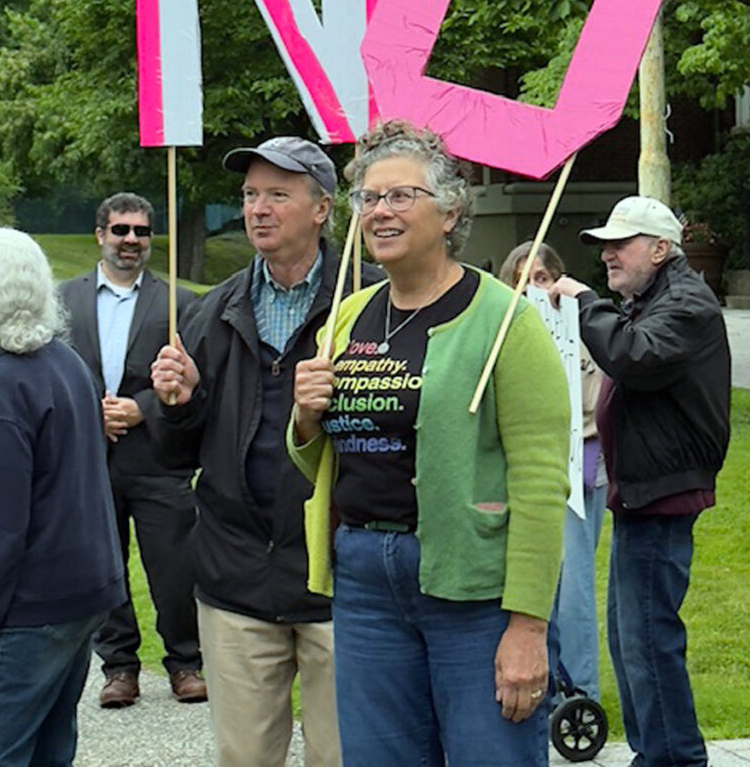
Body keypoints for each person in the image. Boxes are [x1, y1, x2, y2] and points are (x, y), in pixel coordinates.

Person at [290, 122, 570, 767]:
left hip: (471, 588)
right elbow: (322, 454)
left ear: (450, 212)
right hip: (363, 577)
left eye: (400, 196)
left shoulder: (507, 321)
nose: (380, 211)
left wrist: (527, 627)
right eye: (368, 198)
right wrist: (305, 419)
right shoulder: (349, 314)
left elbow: (540, 481)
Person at [151, 136, 378, 767]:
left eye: (278, 194)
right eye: (251, 195)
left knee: (346, 756)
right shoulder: (208, 312)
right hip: (236, 578)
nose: (258, 209)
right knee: (246, 758)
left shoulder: (370, 306)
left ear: (322, 208)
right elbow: (174, 458)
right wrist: (179, 404)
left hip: (342, 579)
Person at [0, 227, 124, 767]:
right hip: (83, 592)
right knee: (48, 753)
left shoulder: (2, 388)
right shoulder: (66, 363)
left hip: (32, 605)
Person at [548, 195, 731, 767]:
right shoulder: (652, 298)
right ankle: (658, 753)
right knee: (632, 640)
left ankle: (672, 759)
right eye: (604, 244)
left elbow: (633, 356)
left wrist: (584, 304)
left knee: (648, 641)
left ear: (660, 248)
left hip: (662, 492)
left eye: (620, 243)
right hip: (644, 491)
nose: (606, 254)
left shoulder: (685, 305)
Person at [59, 192, 205, 707]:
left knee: (173, 566)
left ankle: (186, 662)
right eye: (120, 230)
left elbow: (197, 380)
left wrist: (143, 406)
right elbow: (52, 372)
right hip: (90, 457)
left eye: (141, 232)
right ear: (100, 234)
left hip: (158, 456)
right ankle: (119, 666)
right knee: (104, 564)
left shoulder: (179, 304)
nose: (131, 241)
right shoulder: (64, 300)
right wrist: (88, 410)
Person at [499, 241, 605, 701]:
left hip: (579, 463)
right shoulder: (501, 330)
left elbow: (593, 404)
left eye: (541, 279)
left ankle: (579, 691)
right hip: (516, 468)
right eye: (522, 281)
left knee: (573, 585)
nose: (533, 291)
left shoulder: (582, 332)